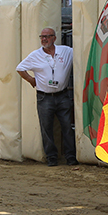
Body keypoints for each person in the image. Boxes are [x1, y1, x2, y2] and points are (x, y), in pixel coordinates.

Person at [16, 28, 77, 167]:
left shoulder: (66, 51)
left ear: (54, 38)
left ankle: (71, 157)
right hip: (44, 97)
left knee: (67, 126)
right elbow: (20, 68)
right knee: (46, 128)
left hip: (62, 95)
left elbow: (79, 56)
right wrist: (31, 80)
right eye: (42, 37)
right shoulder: (35, 55)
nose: (44, 39)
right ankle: (51, 157)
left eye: (47, 37)